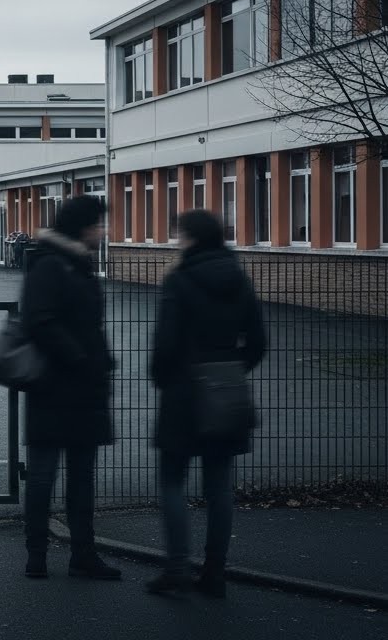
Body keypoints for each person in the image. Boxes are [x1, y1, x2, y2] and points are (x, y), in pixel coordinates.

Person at [146, 210, 266, 598]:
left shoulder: (179, 281)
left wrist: (164, 379)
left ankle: (177, 566)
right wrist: (231, 368)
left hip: (183, 391)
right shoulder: (239, 279)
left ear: (192, 238)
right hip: (225, 388)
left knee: (172, 481)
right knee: (219, 486)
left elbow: (165, 345)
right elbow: (259, 342)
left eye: (180, 233)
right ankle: (215, 572)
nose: (176, 240)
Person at [20, 196, 120, 581]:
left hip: (80, 386)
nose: (103, 230)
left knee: (81, 475)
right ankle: (38, 555)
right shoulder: (50, 264)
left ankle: (83, 553)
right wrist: (81, 359)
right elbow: (40, 321)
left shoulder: (77, 264)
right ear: (81, 226)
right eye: (98, 223)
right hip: (56, 384)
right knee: (45, 474)